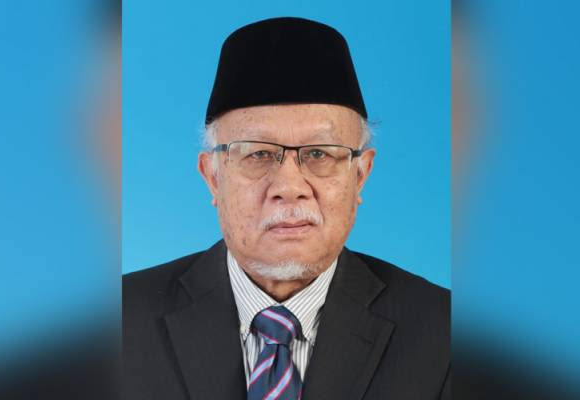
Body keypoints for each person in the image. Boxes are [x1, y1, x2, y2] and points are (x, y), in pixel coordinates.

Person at [123, 17, 450, 400]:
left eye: (319, 154)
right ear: (213, 176)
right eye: (258, 154)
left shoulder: (446, 335)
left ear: (360, 175)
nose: (290, 188)